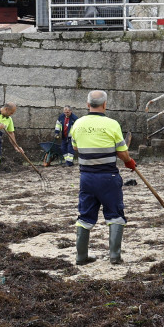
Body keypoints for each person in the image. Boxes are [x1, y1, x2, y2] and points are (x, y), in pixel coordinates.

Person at [70, 90, 136, 265]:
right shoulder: (112, 124)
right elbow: (122, 152)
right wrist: (129, 162)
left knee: (84, 216)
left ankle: (81, 257)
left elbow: (75, 148)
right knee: (114, 214)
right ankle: (115, 256)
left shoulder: (77, 124)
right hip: (108, 177)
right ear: (105, 104)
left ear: (87, 104)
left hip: (86, 177)